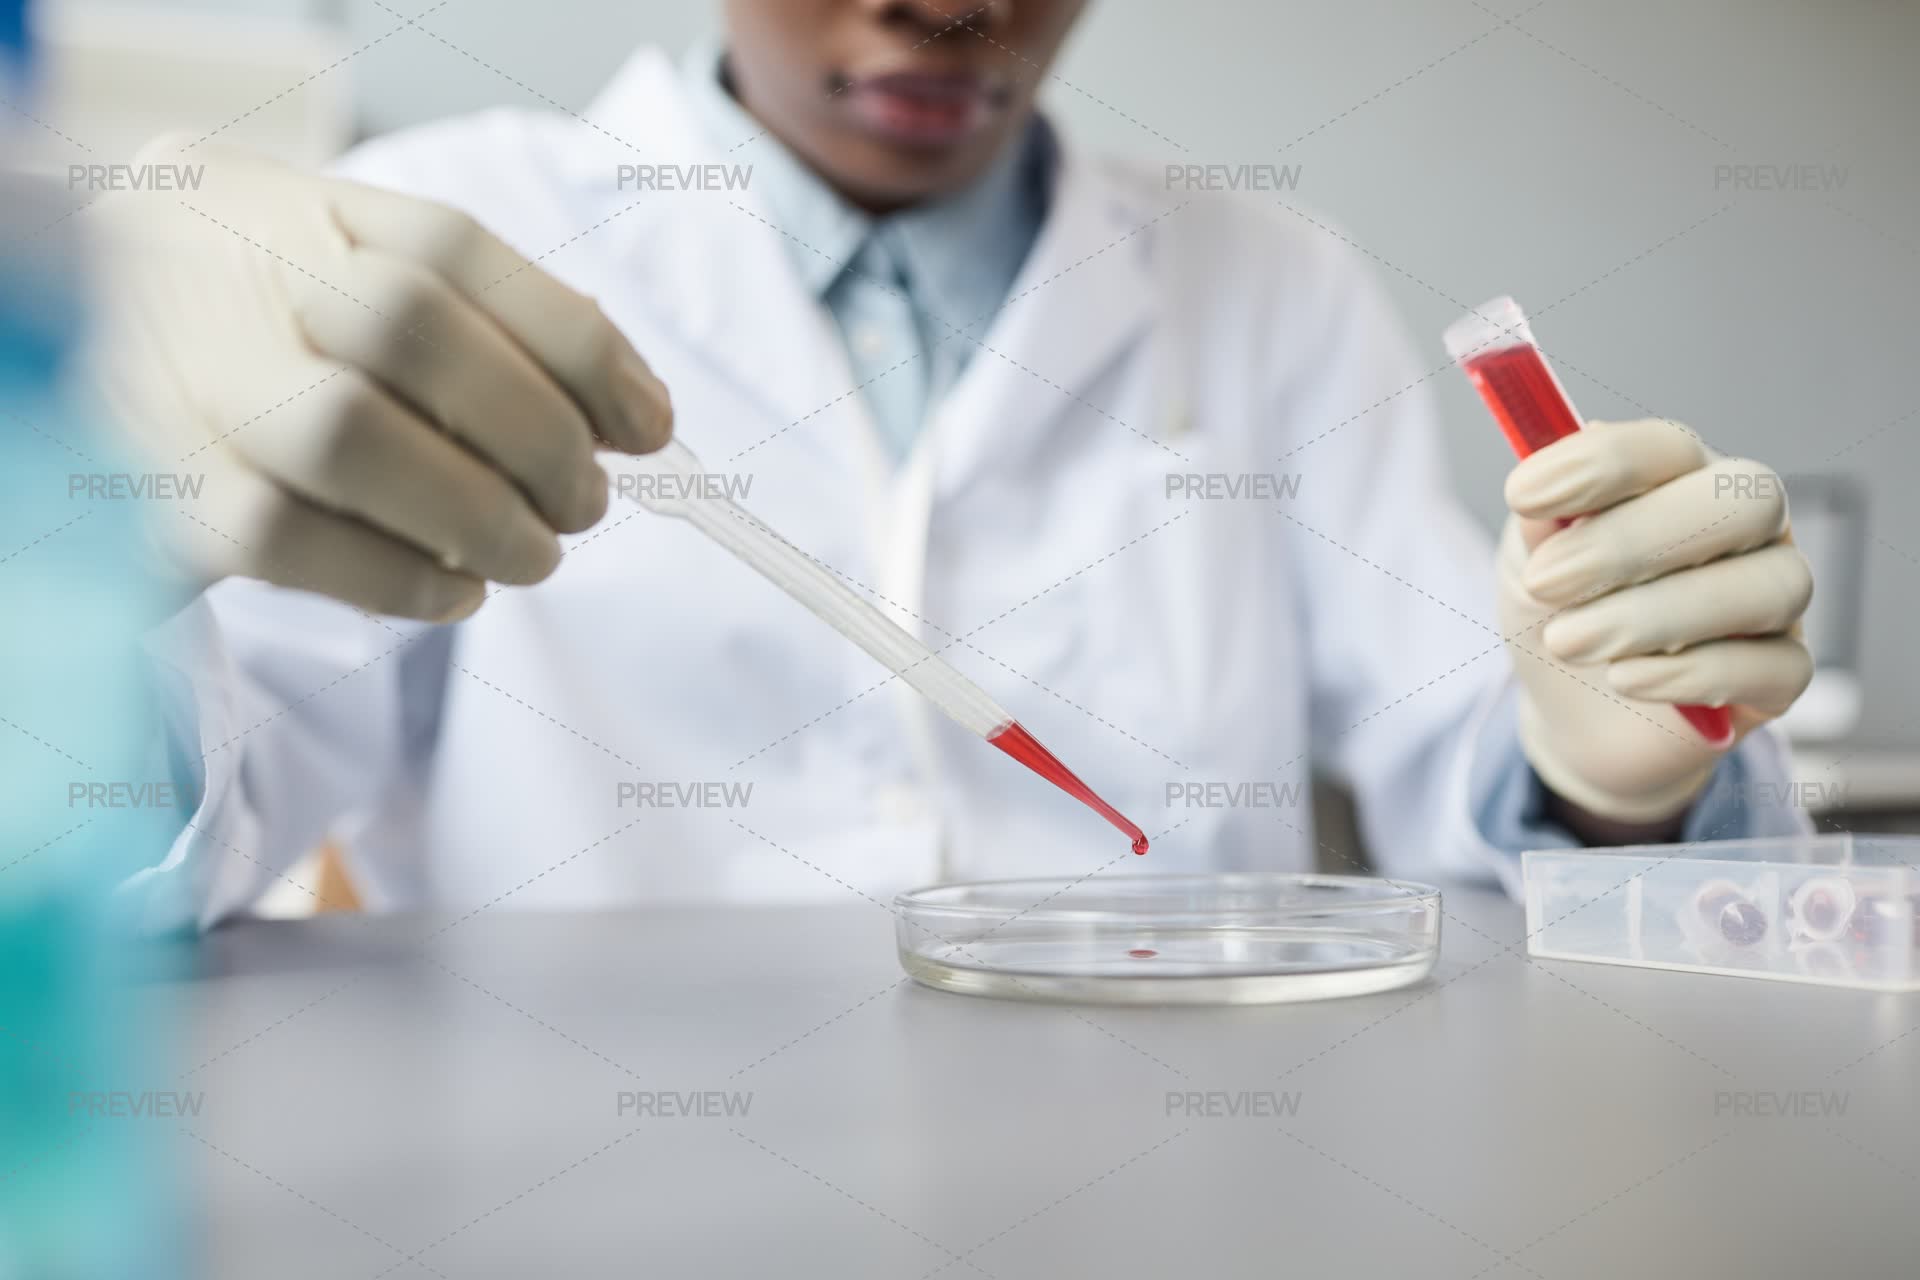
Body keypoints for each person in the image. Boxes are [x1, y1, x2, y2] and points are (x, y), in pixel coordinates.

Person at [97, 0, 1814, 930]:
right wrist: (95, 561)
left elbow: (1473, 747)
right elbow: (168, 846)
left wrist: (1615, 768)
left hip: (1176, 1188)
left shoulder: (1268, 281)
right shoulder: (448, 227)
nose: (952, 7)